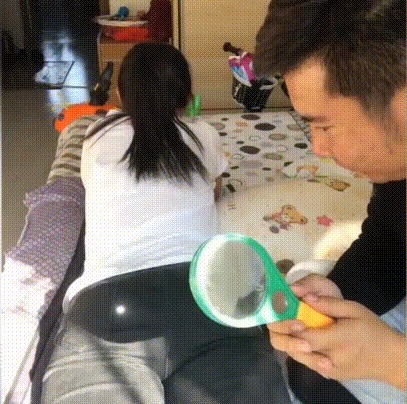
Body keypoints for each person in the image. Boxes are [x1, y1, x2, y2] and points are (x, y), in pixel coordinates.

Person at [40, 42, 291, 403]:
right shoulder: (203, 134)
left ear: (120, 96)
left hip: (107, 304)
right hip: (207, 292)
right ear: (187, 98)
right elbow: (216, 189)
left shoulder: (95, 138)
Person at [254, 0, 406, 403]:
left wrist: (393, 362)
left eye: (325, 126)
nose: (318, 148)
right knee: (313, 362)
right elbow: (389, 241)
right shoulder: (397, 170)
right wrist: (336, 293)